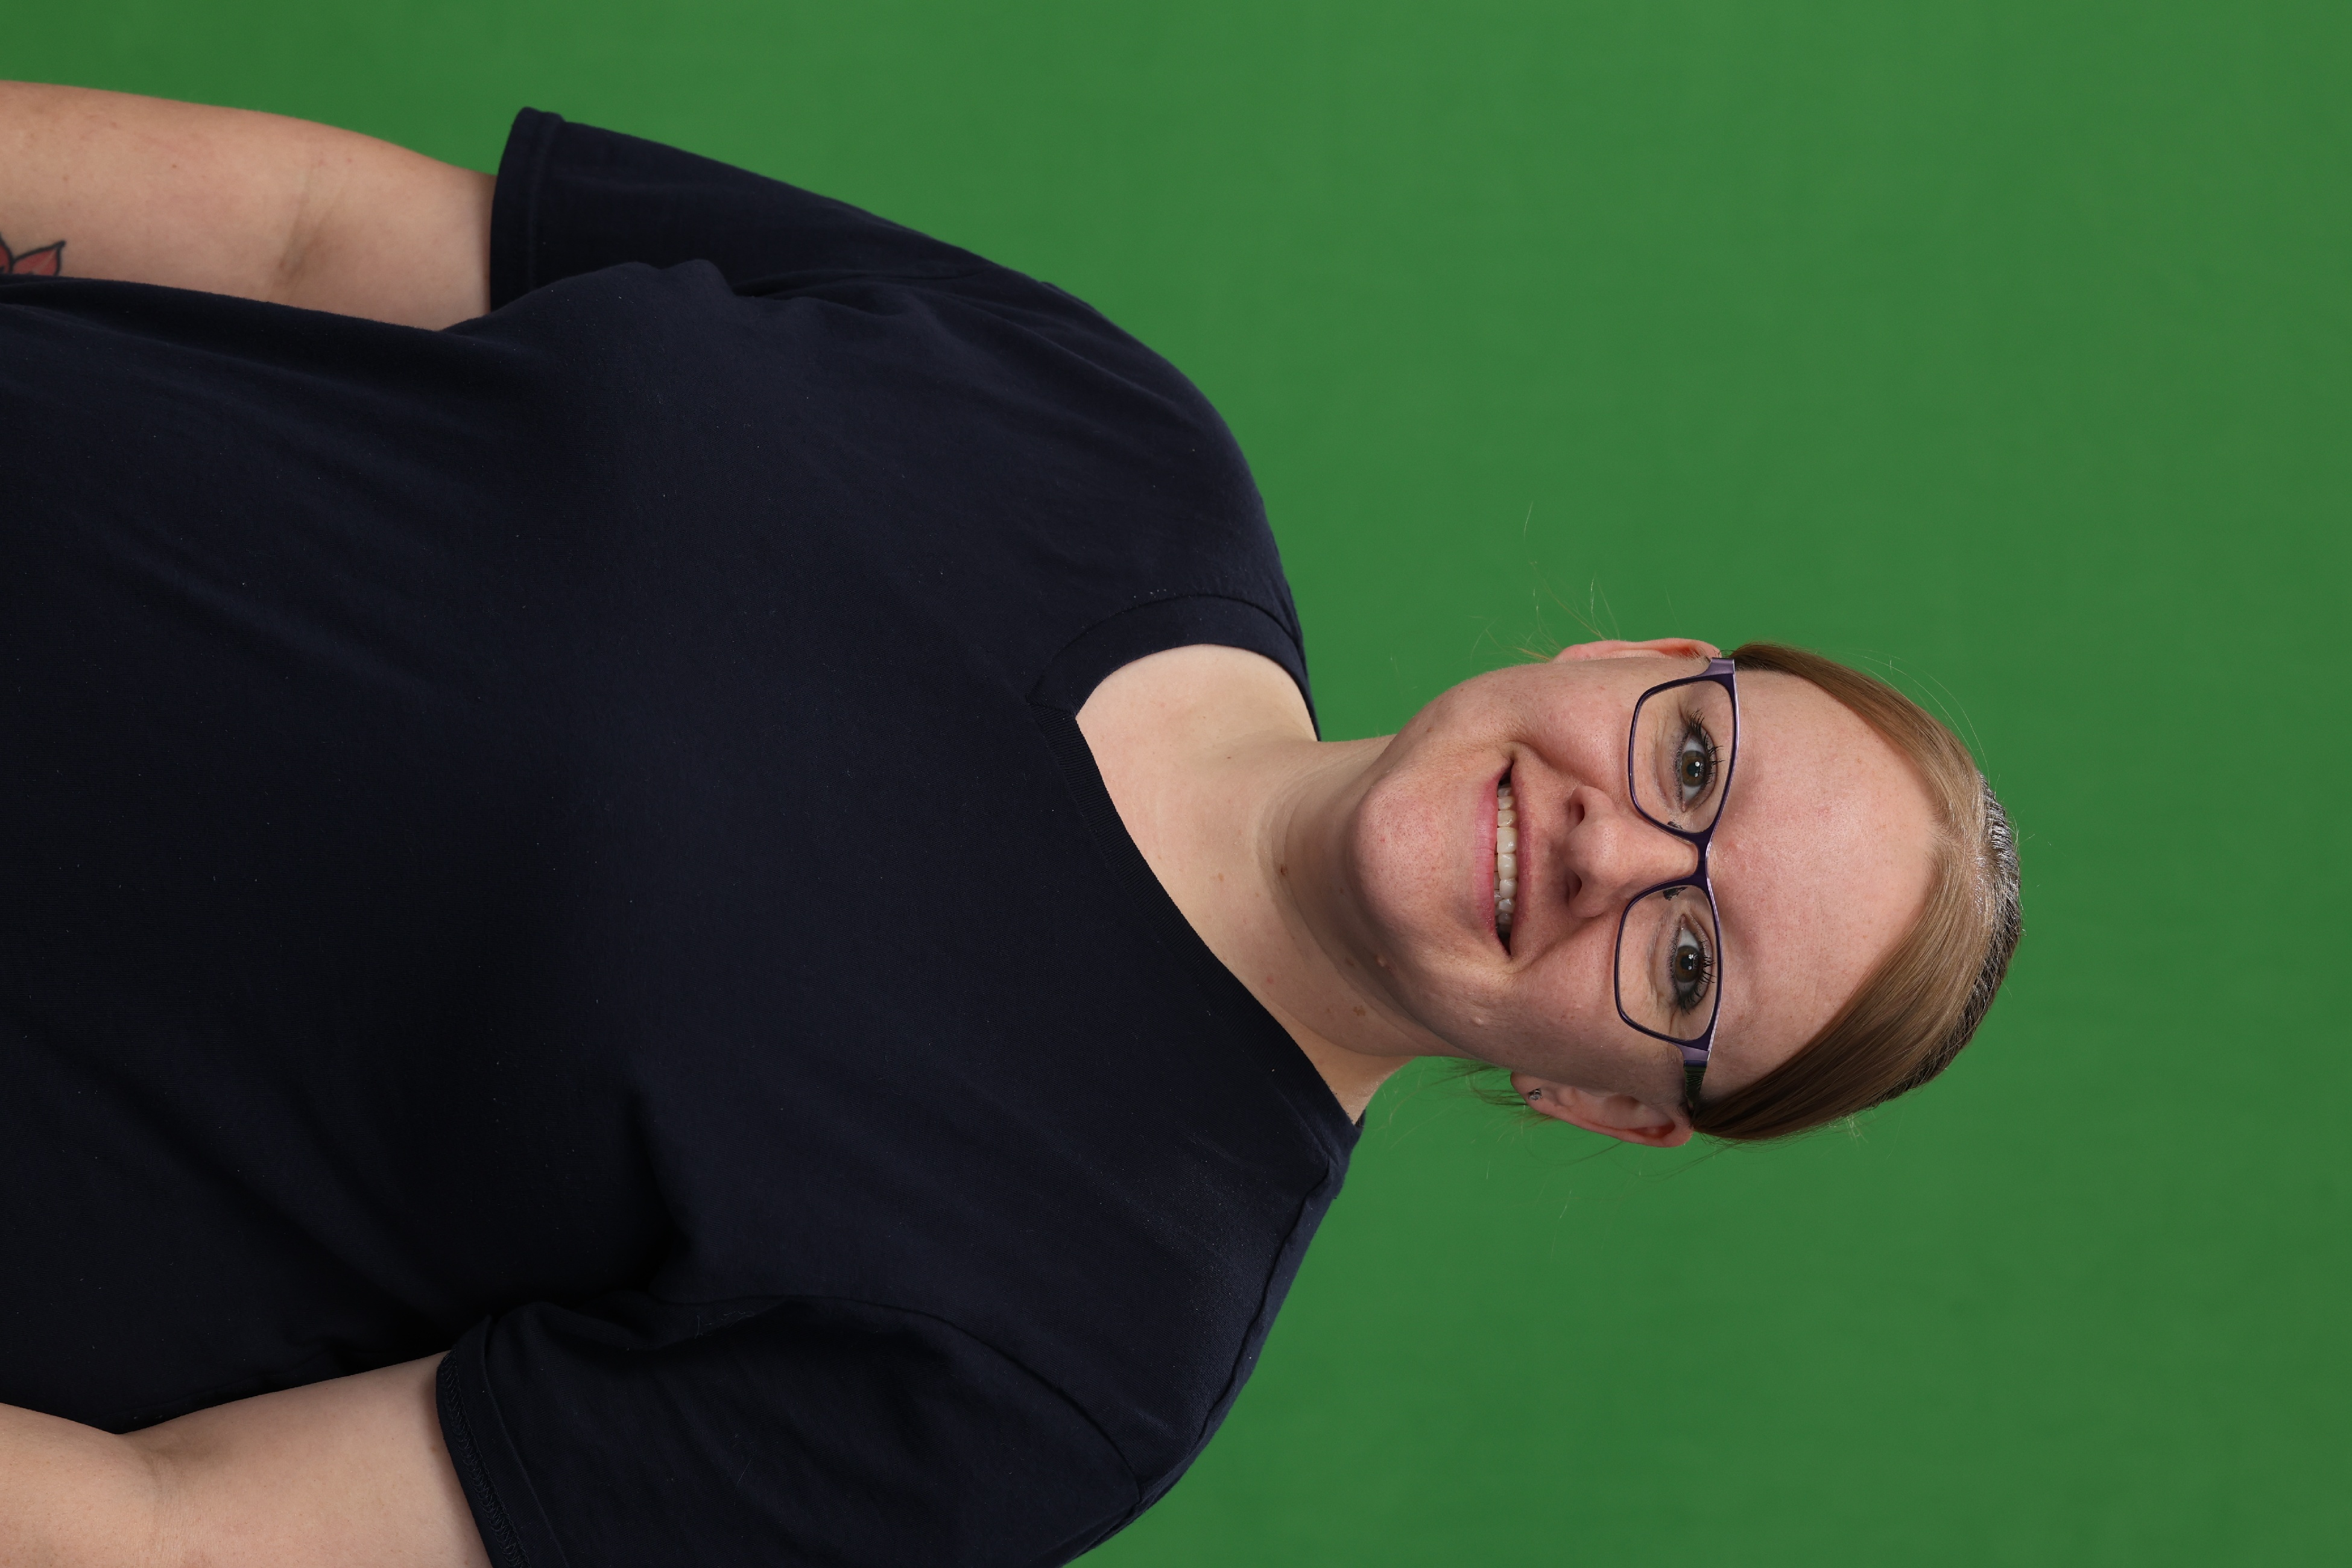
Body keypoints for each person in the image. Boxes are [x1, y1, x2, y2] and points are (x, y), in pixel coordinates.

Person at [0, 83, 2020, 1568]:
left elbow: (177, 1527)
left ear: (1609, 1110)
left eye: (1687, 958)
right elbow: (305, 236)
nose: (1610, 851)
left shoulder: (1061, 1372)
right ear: (1630, 659)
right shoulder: (1101, 430)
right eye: (1693, 769)